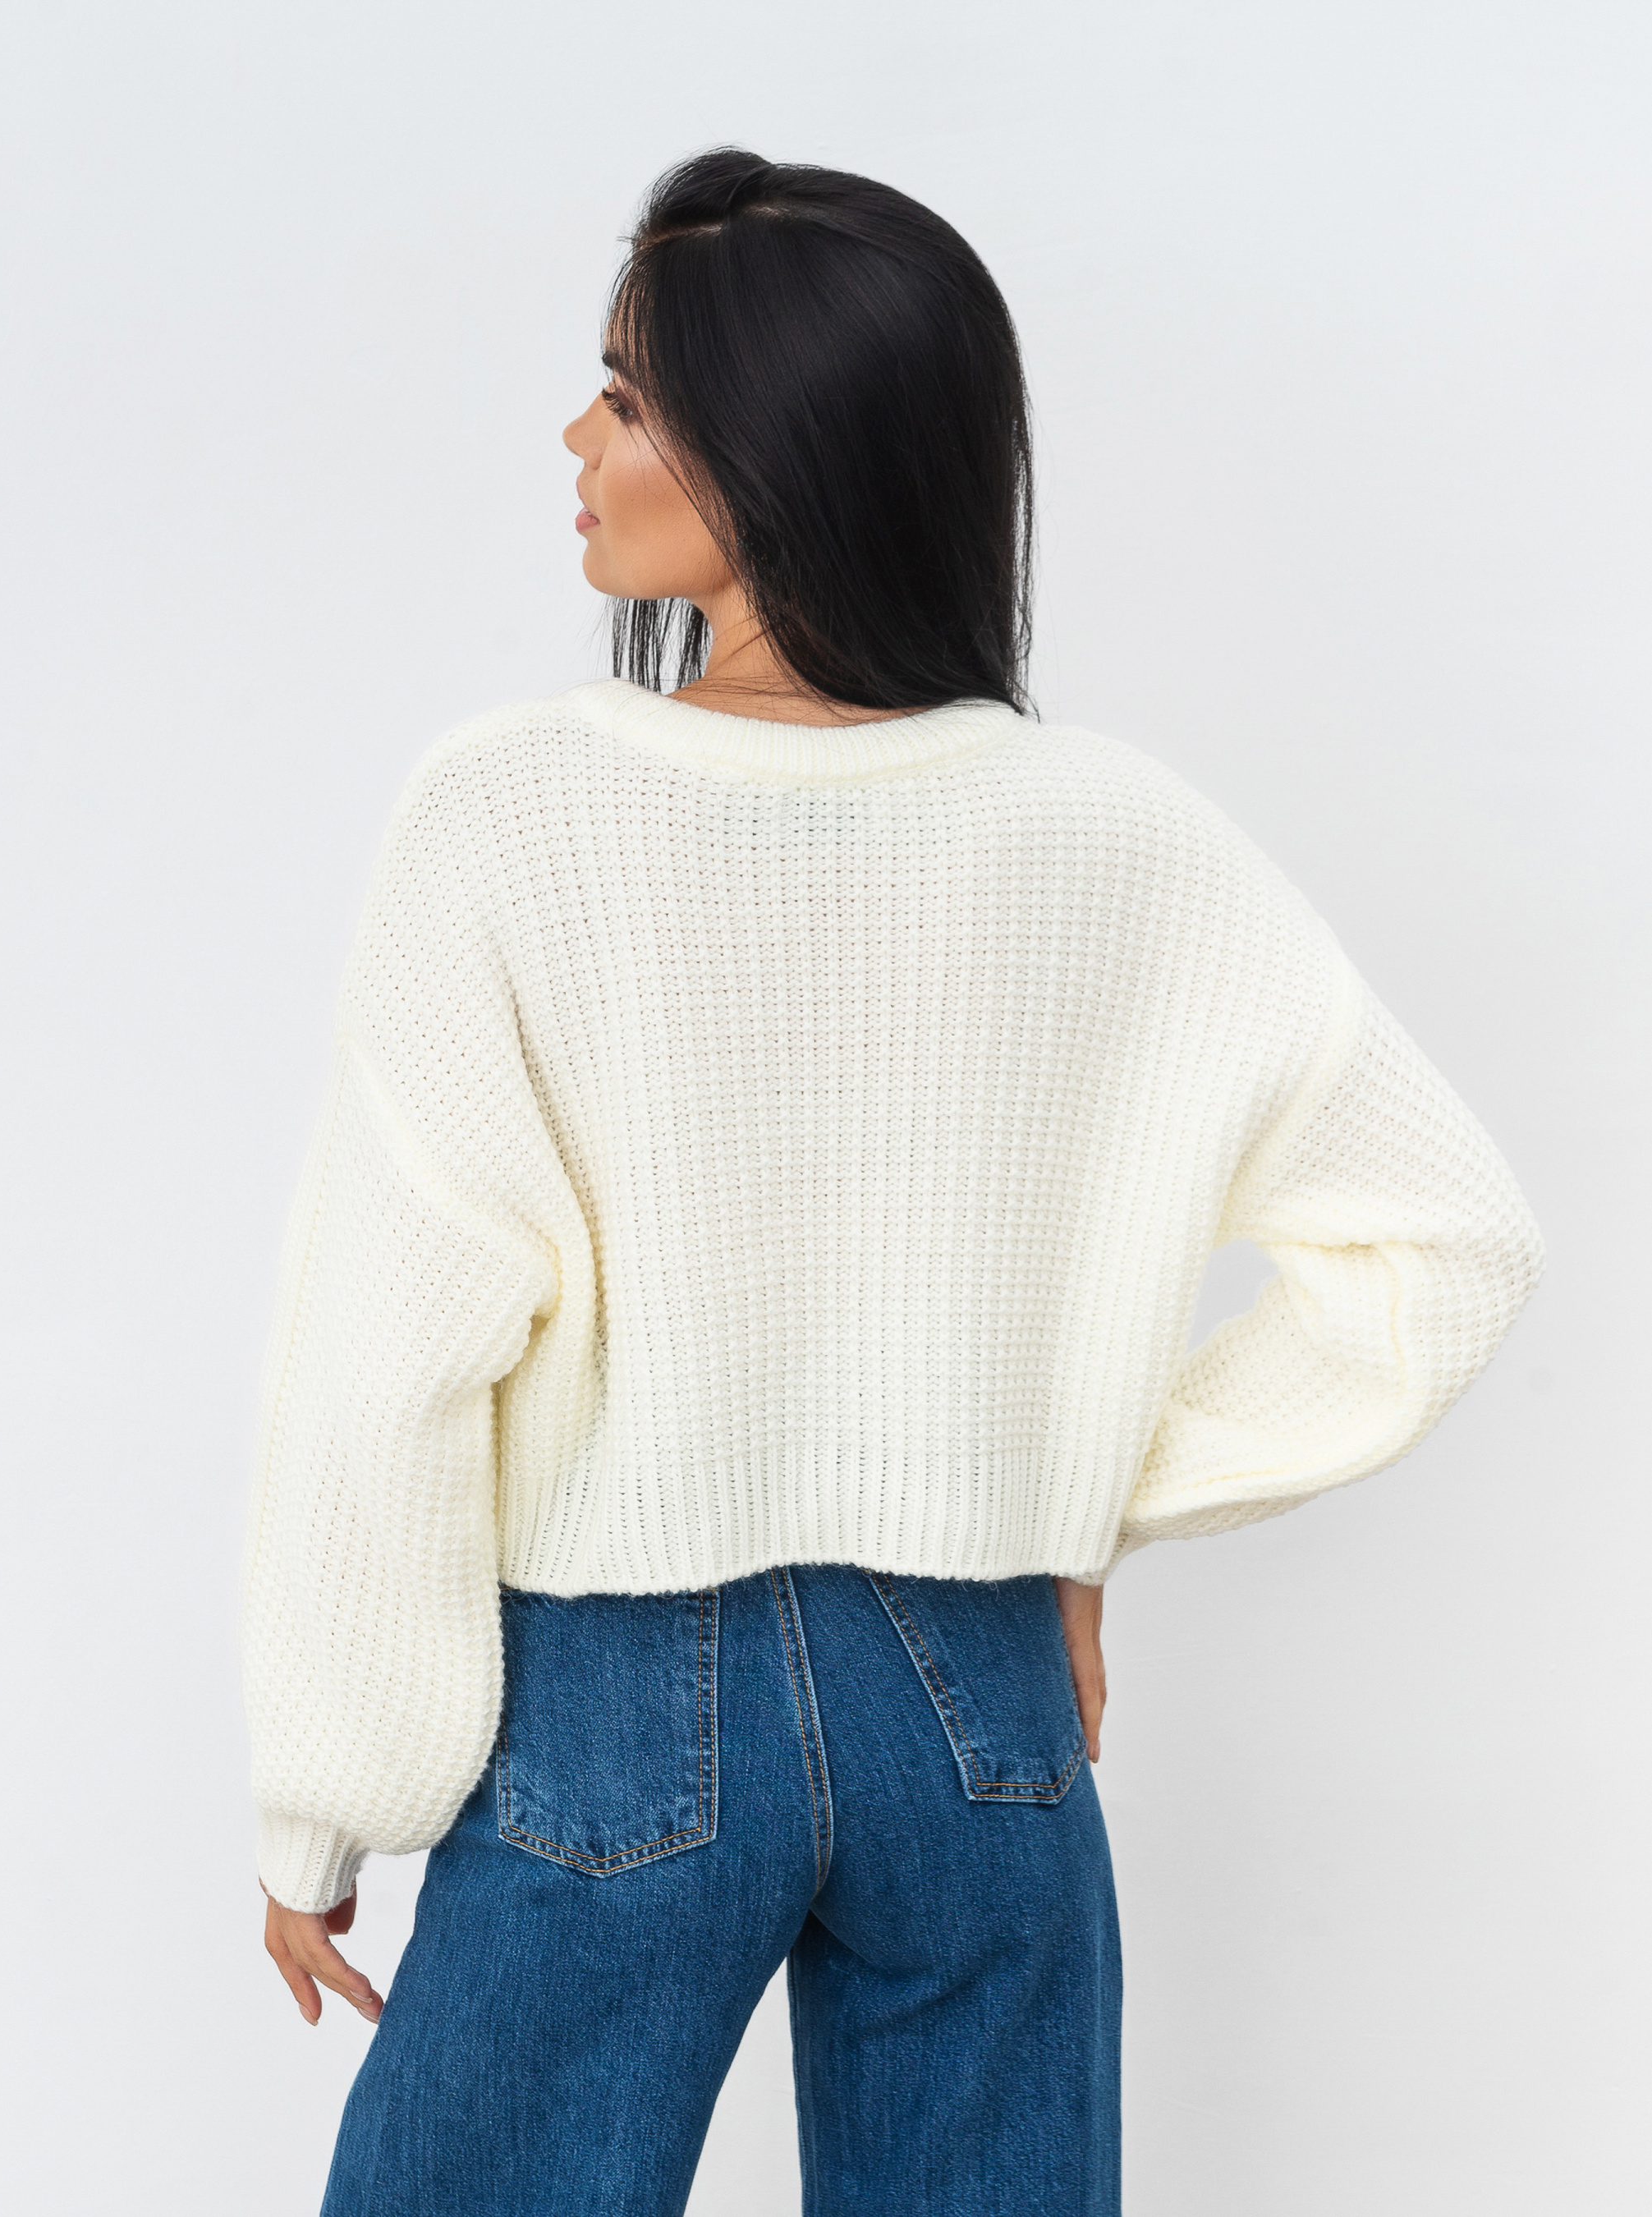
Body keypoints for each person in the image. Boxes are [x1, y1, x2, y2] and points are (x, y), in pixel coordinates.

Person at [242, 149, 1544, 2216]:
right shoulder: (1116, 835)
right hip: (980, 1713)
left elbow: (393, 1343)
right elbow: (1443, 1243)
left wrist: (325, 1799)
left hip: (617, 1718)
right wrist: (1070, 1501)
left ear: (774, 441)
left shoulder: (513, 811)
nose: (575, 440)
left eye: (626, 397)